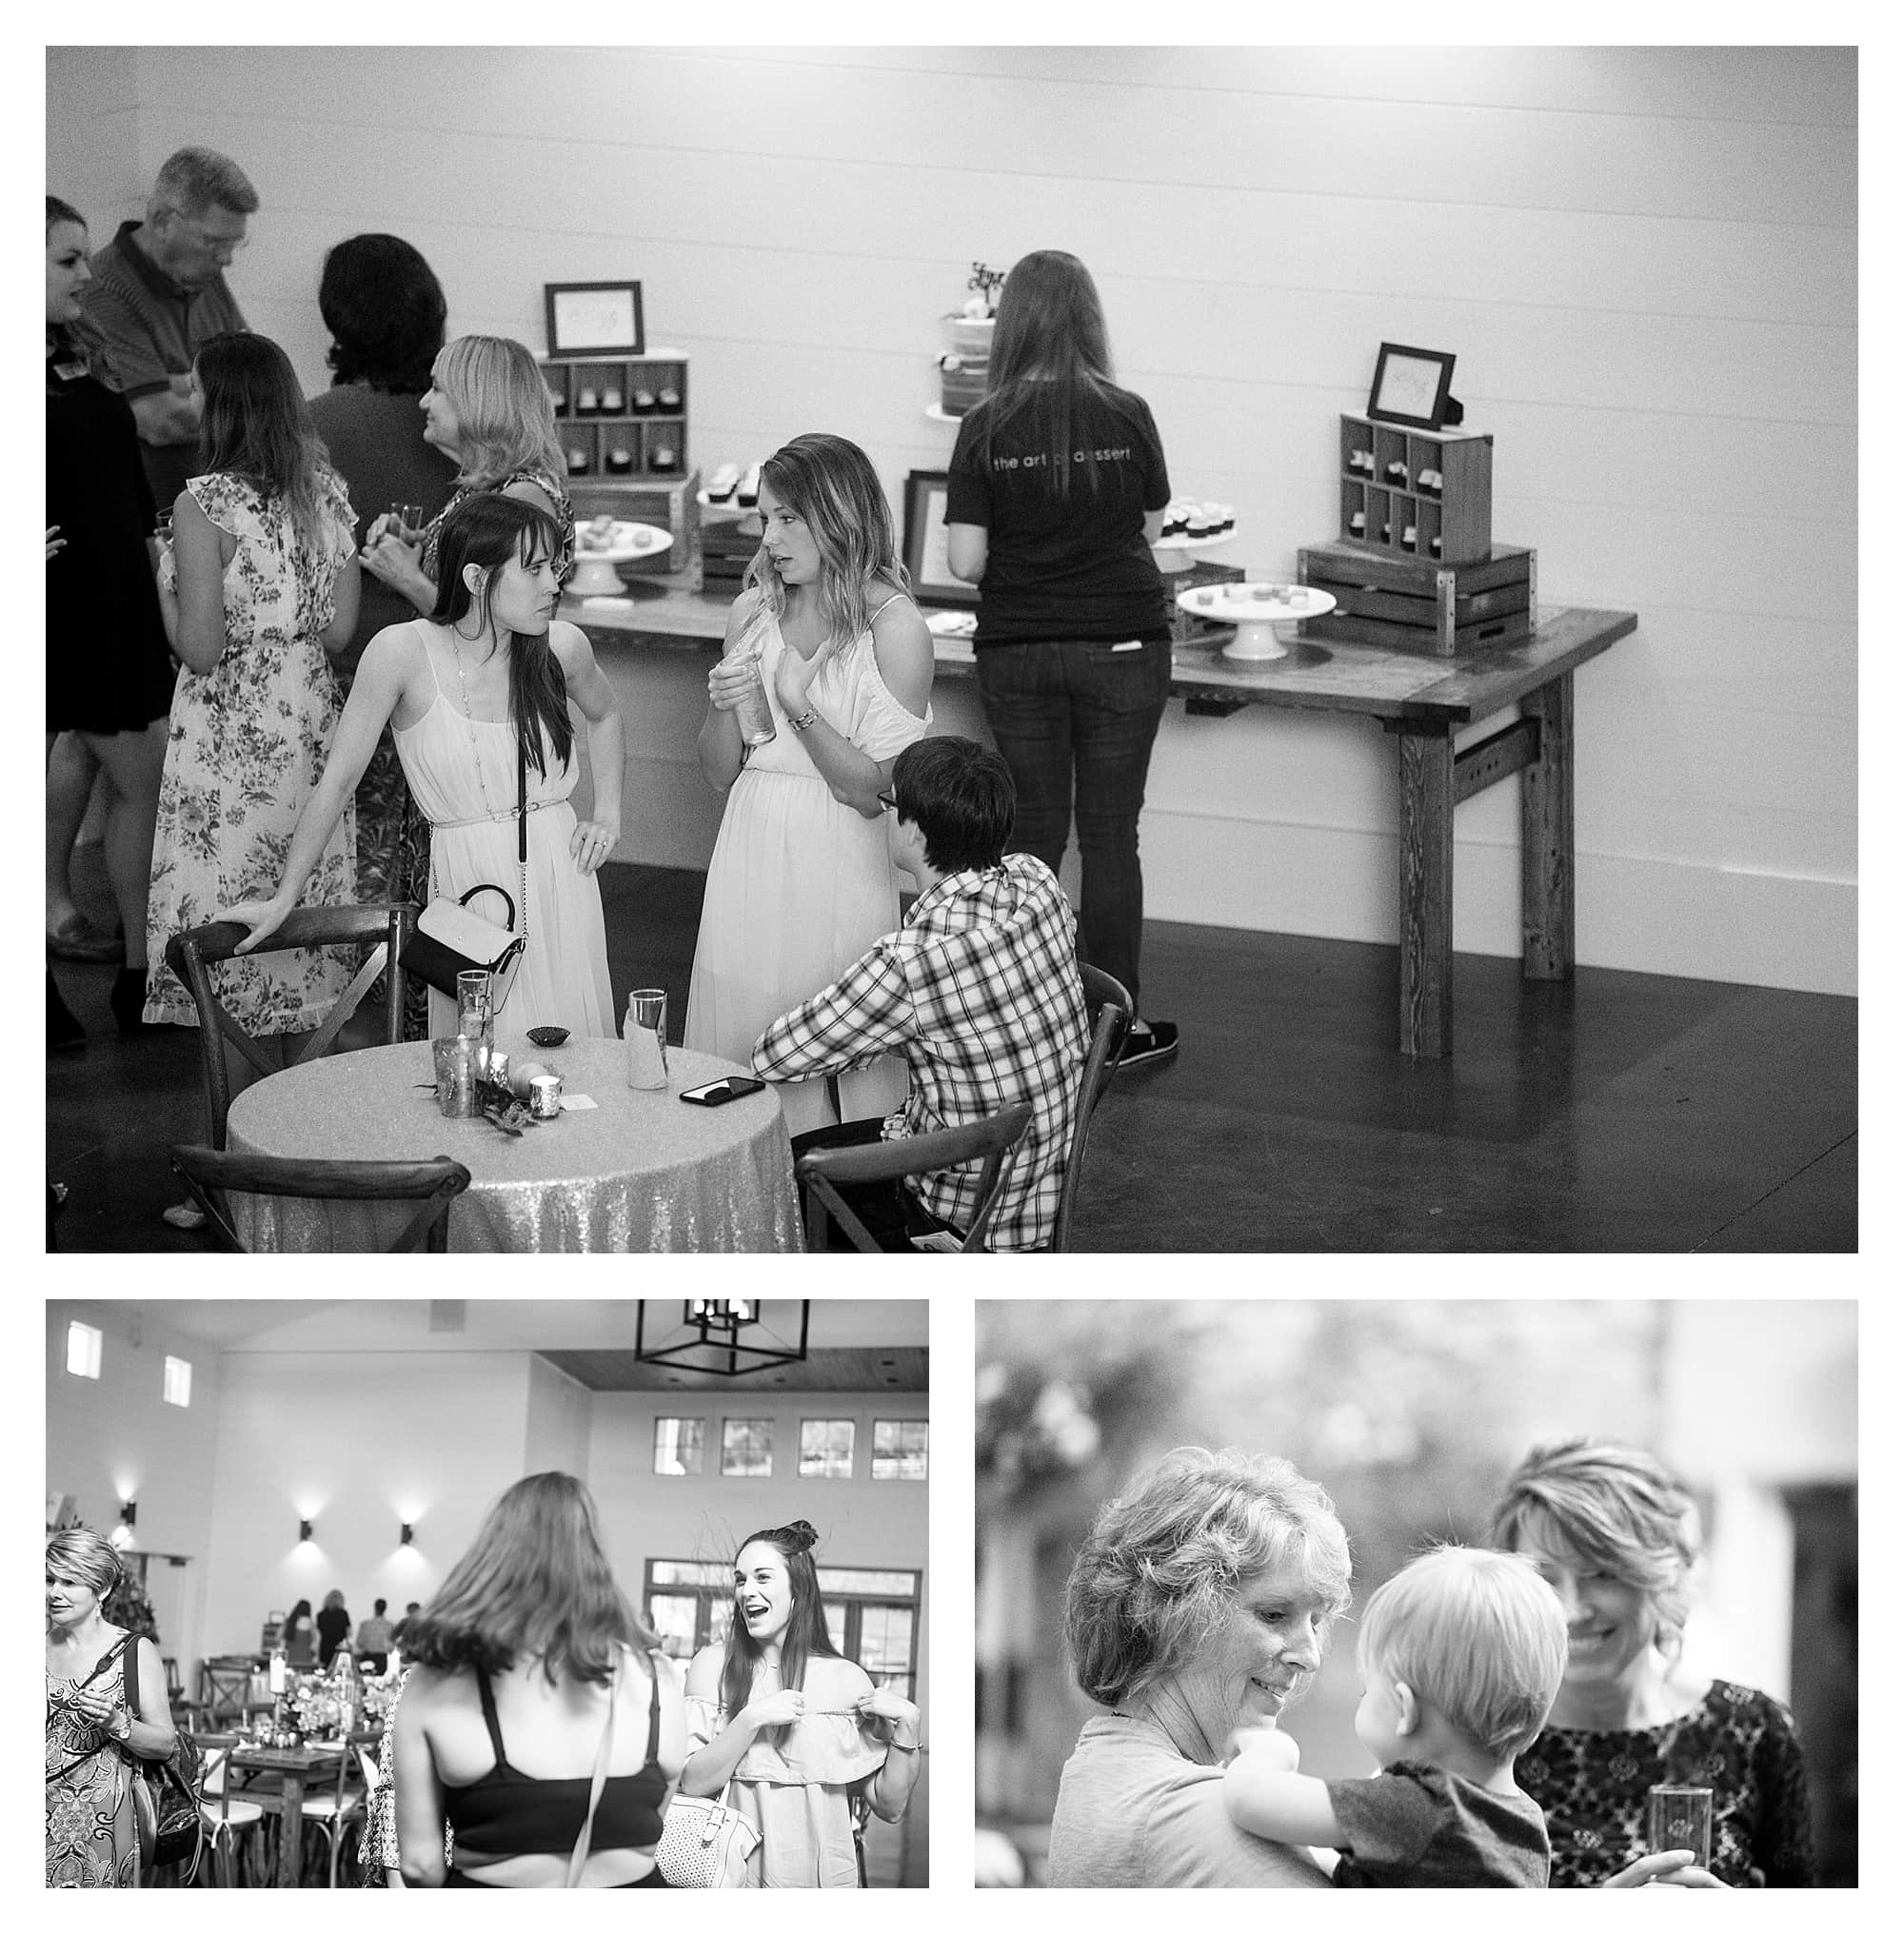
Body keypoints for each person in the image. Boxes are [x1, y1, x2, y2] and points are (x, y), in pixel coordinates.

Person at [1047, 1446, 1701, 1890]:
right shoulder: (1193, 1814)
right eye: (1275, 1614)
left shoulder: (1105, 1766)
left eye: (1316, 1620)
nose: (1309, 1655)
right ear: (1174, 1613)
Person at [221, 492, 621, 1041]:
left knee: (572, 1052)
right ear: (478, 578)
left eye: (555, 567)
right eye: (534, 570)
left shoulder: (561, 648)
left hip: (558, 870)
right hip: (464, 881)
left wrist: (608, 814)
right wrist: (285, 895)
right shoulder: (401, 653)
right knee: (478, 1062)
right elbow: (338, 781)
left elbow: (607, 715)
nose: (553, 584)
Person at [143, 330, 361, 1230]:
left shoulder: (203, 507)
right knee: (299, 931)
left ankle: (238, 1169)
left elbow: (198, 645)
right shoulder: (326, 495)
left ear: (224, 403)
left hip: (231, 744)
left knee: (229, 945)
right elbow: (343, 630)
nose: (188, 402)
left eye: (197, 390)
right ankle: (306, 1152)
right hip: (309, 729)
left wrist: (154, 578)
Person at [943, 248, 1178, 1071]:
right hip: (1123, 645)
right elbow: (1147, 533)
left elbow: (967, 563)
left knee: (1033, 836)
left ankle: (1032, 1026)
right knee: (1112, 837)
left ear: (1012, 323)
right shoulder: (1128, 412)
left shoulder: (985, 425)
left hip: (1019, 650)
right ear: (1088, 318)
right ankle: (1114, 1031)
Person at [686, 432, 934, 1136]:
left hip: (840, 854)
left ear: (840, 515)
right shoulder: (752, 611)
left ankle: (836, 1207)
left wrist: (798, 703)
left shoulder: (897, 628)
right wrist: (723, 699)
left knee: (832, 1041)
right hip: (751, 839)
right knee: (740, 1027)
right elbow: (718, 771)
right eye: (765, 518)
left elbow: (871, 792)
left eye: (790, 518)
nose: (771, 538)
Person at [752, 736, 1088, 1251]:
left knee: (784, 1167)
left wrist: (875, 1036)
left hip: (960, 1217)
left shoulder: (912, 962)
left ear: (913, 828)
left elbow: (776, 1056)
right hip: (1044, 1186)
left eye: (891, 805)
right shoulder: (1037, 880)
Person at [1491, 1437, 1814, 1886]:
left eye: (1601, 1574)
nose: (1572, 1609)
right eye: (1544, 1578)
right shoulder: (1475, 1734)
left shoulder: (1752, 1729)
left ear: (1657, 1575)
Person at [390, 1471, 685, 1887]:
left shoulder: (432, 1683)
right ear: (594, 1557)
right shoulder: (657, 1678)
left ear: (492, 1556)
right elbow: (652, 1818)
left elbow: (420, 1866)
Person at [1223, 1545, 1566, 1885]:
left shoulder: (1415, 1809)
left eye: (1367, 1688)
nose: (1364, 1694)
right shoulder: (1525, 1824)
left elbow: (1250, 1799)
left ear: (1405, 1710)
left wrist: (1269, 1753)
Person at [45, 195, 174, 1039]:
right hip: (64, 609)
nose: (86, 276)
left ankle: (137, 971)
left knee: (135, 783)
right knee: (135, 779)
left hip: (116, 601)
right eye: (66, 261)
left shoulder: (71, 362)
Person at [307, 233, 458, 918]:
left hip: (345, 669)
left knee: (356, 848)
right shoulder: (459, 422)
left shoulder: (316, 425)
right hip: (448, 666)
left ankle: (365, 986)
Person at [680, 1519, 921, 1885]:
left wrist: (909, 1724)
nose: (746, 1591)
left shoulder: (847, 1679)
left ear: (798, 1589)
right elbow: (693, 1784)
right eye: (740, 1579)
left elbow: (889, 1806)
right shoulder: (711, 1666)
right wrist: (750, 1719)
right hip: (735, 1880)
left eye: (762, 1577)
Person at [84, 146, 256, 507]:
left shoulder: (202, 273)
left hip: (221, 504)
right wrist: (233, 400)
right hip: (158, 512)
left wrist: (181, 384)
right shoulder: (103, 288)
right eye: (212, 241)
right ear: (162, 221)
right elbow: (160, 422)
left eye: (233, 244)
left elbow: (253, 375)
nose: (226, 259)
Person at [358, 333, 576, 617]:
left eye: (436, 389)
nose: (424, 402)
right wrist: (415, 546)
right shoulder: (489, 486)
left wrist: (409, 578)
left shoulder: (522, 497)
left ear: (476, 402)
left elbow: (497, 622)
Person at [47, 1527, 178, 1886]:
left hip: (104, 1823)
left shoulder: (134, 1652)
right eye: (49, 1579)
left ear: (101, 1589)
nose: (55, 1593)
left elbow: (165, 1742)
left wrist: (118, 1722)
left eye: (70, 1582)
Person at [357, 1598, 397, 1676]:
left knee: (365, 1682)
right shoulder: (390, 1626)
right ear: (385, 1609)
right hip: (383, 1660)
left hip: (367, 1658)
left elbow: (359, 1643)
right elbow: (392, 1646)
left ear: (375, 1608)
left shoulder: (365, 1624)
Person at [317, 1589, 353, 1668]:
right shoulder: (343, 1614)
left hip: (325, 1647)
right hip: (340, 1648)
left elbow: (319, 1631)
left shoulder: (321, 1615)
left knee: (325, 1670)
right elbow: (349, 1632)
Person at [283, 1598, 316, 1668]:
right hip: (306, 1660)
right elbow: (315, 1641)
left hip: (290, 1659)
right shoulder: (310, 1623)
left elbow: (277, 1638)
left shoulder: (289, 1622)